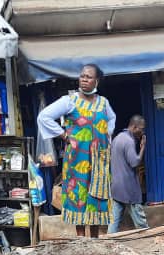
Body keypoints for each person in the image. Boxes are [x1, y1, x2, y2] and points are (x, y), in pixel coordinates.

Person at [37, 64, 117, 237]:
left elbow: (111, 119)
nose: (84, 79)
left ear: (97, 80)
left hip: (98, 161)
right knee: (78, 196)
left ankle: (94, 238)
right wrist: (64, 135)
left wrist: (105, 137)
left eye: (88, 77)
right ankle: (81, 240)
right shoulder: (70, 101)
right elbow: (44, 116)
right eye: (82, 76)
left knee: (96, 196)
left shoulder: (104, 103)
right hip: (76, 161)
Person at [108, 115, 148, 233]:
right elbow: (134, 162)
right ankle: (148, 240)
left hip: (116, 186)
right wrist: (142, 147)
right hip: (128, 187)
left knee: (114, 222)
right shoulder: (129, 141)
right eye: (141, 129)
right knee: (141, 221)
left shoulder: (117, 138)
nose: (142, 131)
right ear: (134, 127)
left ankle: (108, 243)